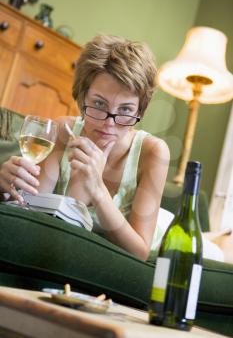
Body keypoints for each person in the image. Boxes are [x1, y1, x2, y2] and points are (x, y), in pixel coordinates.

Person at [0, 34, 232, 263]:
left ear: (140, 111)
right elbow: (30, 208)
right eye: (100, 104)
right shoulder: (63, 131)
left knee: (219, 250)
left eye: (125, 110)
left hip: (161, 233)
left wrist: (97, 189)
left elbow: (140, 251)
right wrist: (8, 187)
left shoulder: (153, 152)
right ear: (82, 99)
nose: (109, 123)